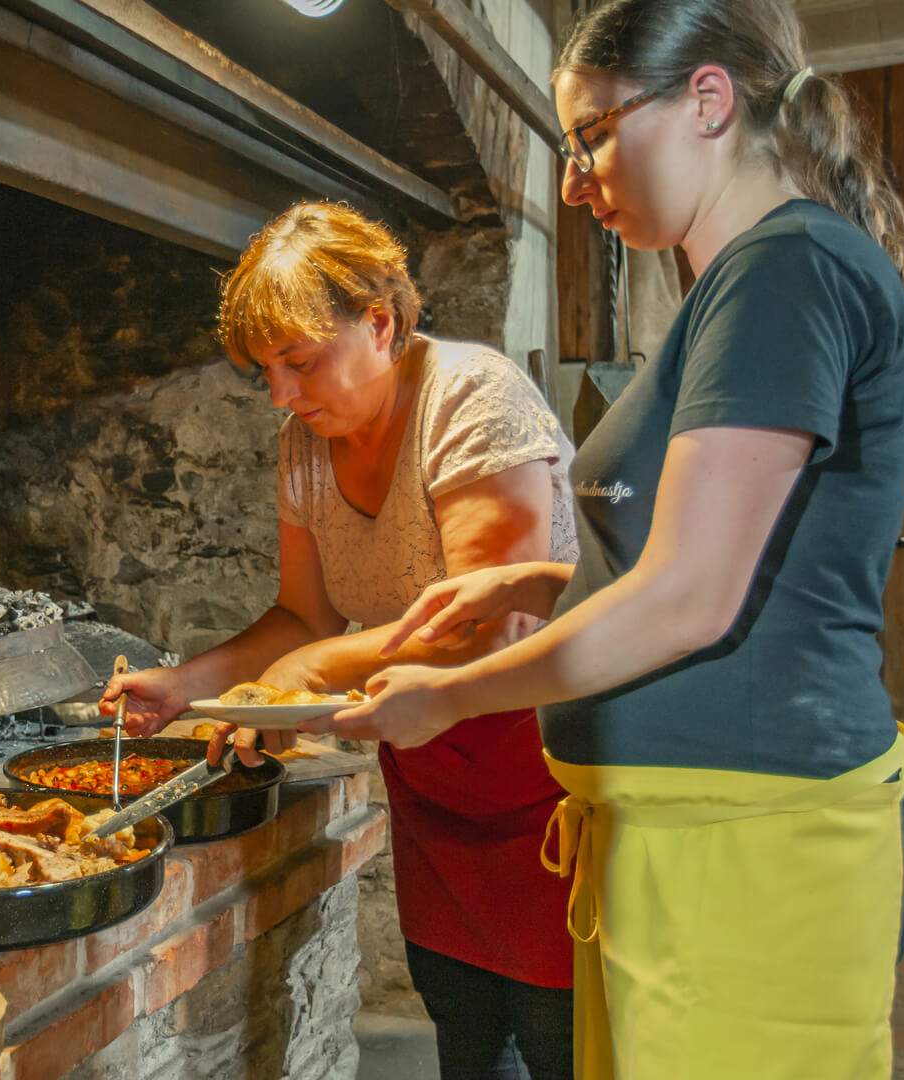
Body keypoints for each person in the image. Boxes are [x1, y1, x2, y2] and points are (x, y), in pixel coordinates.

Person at [311, 2, 904, 1077]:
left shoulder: (783, 269)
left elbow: (693, 595)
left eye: (594, 133)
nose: (573, 181)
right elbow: (746, 553)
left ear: (708, 101)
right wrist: (543, 575)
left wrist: (450, 696)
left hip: (758, 837)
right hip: (696, 831)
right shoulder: (735, 284)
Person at [101, 201, 582, 1080]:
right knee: (466, 1027)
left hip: (542, 774)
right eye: (266, 372)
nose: (282, 395)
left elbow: (484, 629)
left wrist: (310, 672)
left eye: (299, 362)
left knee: (559, 1035)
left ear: (380, 323)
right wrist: (185, 683)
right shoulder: (305, 446)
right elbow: (303, 618)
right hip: (432, 775)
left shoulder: (471, 397)